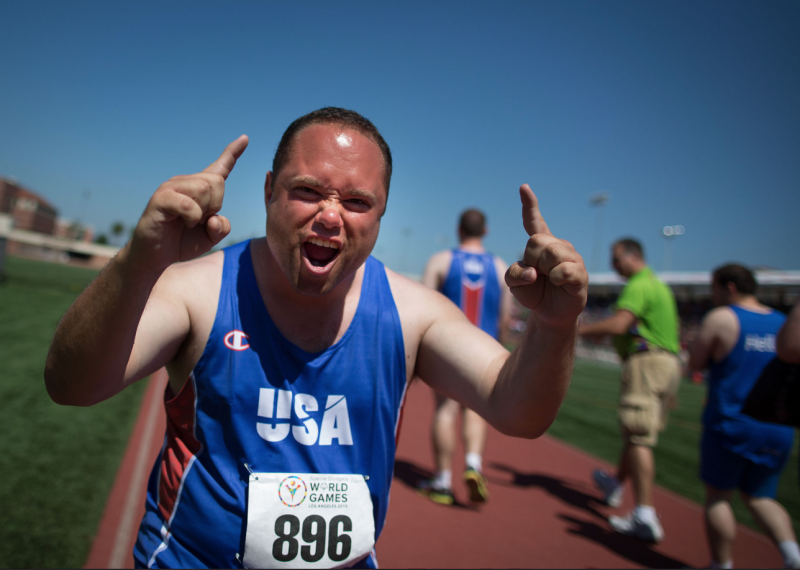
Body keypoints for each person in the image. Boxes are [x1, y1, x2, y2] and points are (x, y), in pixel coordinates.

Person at [44, 107, 588, 569]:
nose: (330, 216)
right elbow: (71, 384)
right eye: (308, 191)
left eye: (357, 202)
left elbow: (518, 410)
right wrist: (140, 260)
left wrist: (555, 325)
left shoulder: (413, 313)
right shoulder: (201, 290)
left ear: (380, 216)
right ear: (268, 192)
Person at [688, 264, 800, 570]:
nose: (712, 295)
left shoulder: (722, 318)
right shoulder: (783, 321)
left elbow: (695, 362)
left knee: (719, 497)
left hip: (732, 423)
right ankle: (793, 557)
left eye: (714, 288)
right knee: (761, 497)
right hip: (778, 428)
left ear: (729, 287)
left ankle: (721, 565)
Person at [577, 238, 681, 543]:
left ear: (634, 256)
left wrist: (576, 331)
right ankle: (615, 483)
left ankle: (644, 513)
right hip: (665, 364)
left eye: (616, 258)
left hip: (646, 363)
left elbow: (620, 325)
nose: (613, 265)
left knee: (637, 436)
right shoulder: (658, 285)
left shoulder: (639, 284)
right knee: (635, 434)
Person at [417, 208, 512, 505]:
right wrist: (500, 350)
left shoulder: (442, 260)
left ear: (459, 230)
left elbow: (421, 304)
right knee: (476, 410)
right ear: (485, 231)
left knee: (445, 411)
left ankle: (442, 481)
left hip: (447, 349)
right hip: (484, 348)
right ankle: (473, 464)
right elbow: (506, 317)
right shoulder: (500, 267)